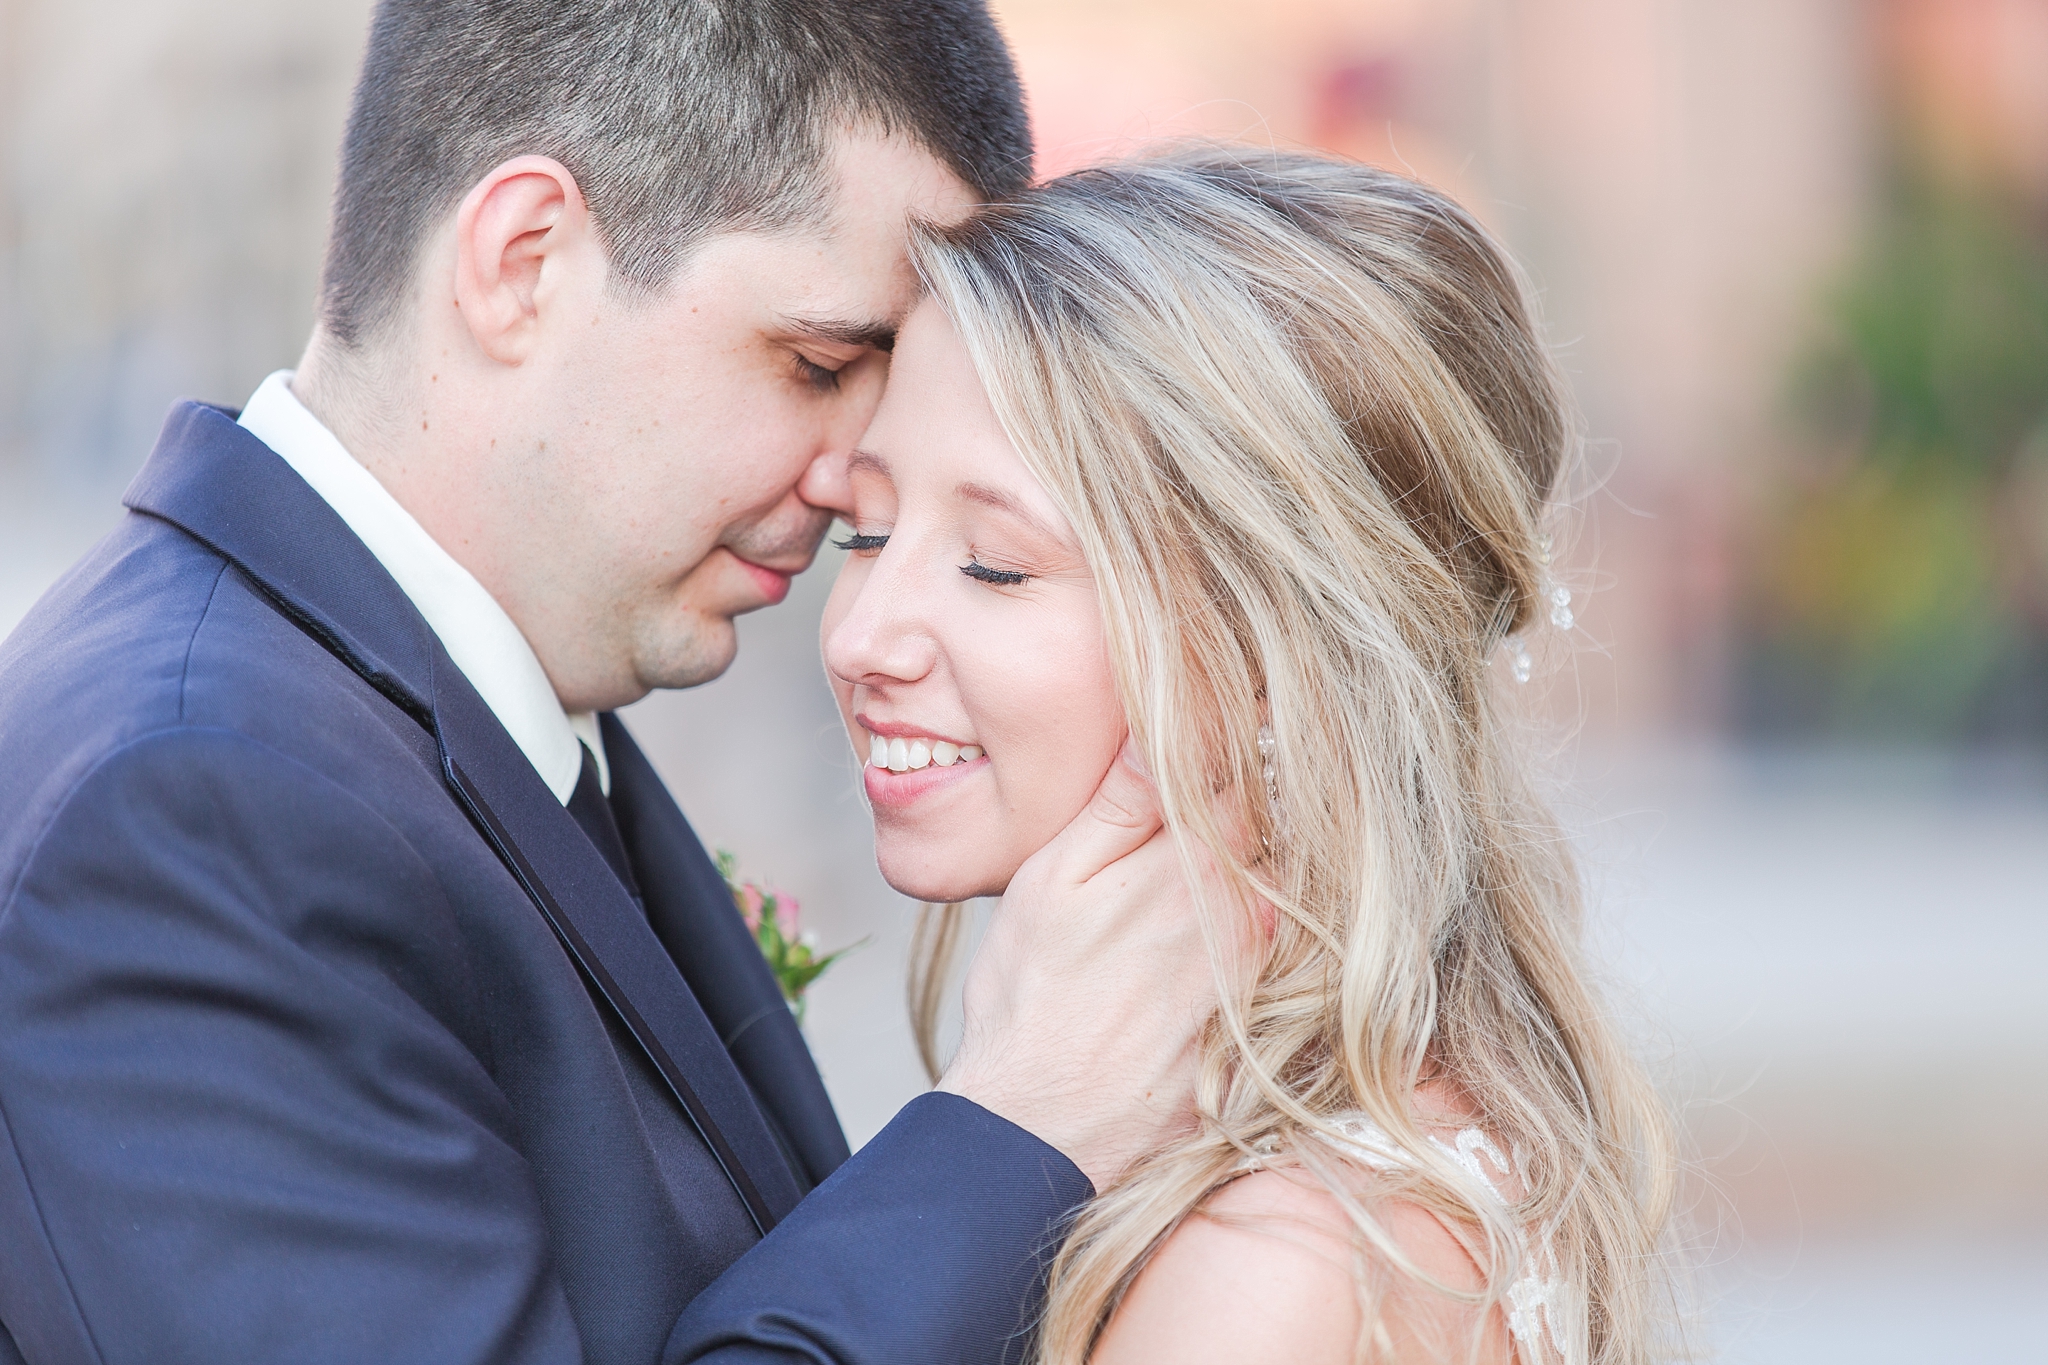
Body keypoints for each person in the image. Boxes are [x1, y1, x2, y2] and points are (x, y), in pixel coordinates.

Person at [0, 4, 1221, 1363]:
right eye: (816, 363)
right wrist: (1027, 1121)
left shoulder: (460, 720)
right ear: (524, 260)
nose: (848, 469)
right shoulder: (182, 811)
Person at [817, 147, 1680, 1365]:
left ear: (1279, 643)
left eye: (994, 564)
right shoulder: (1337, 1152)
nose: (856, 637)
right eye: (861, 528)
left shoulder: (1274, 1270)